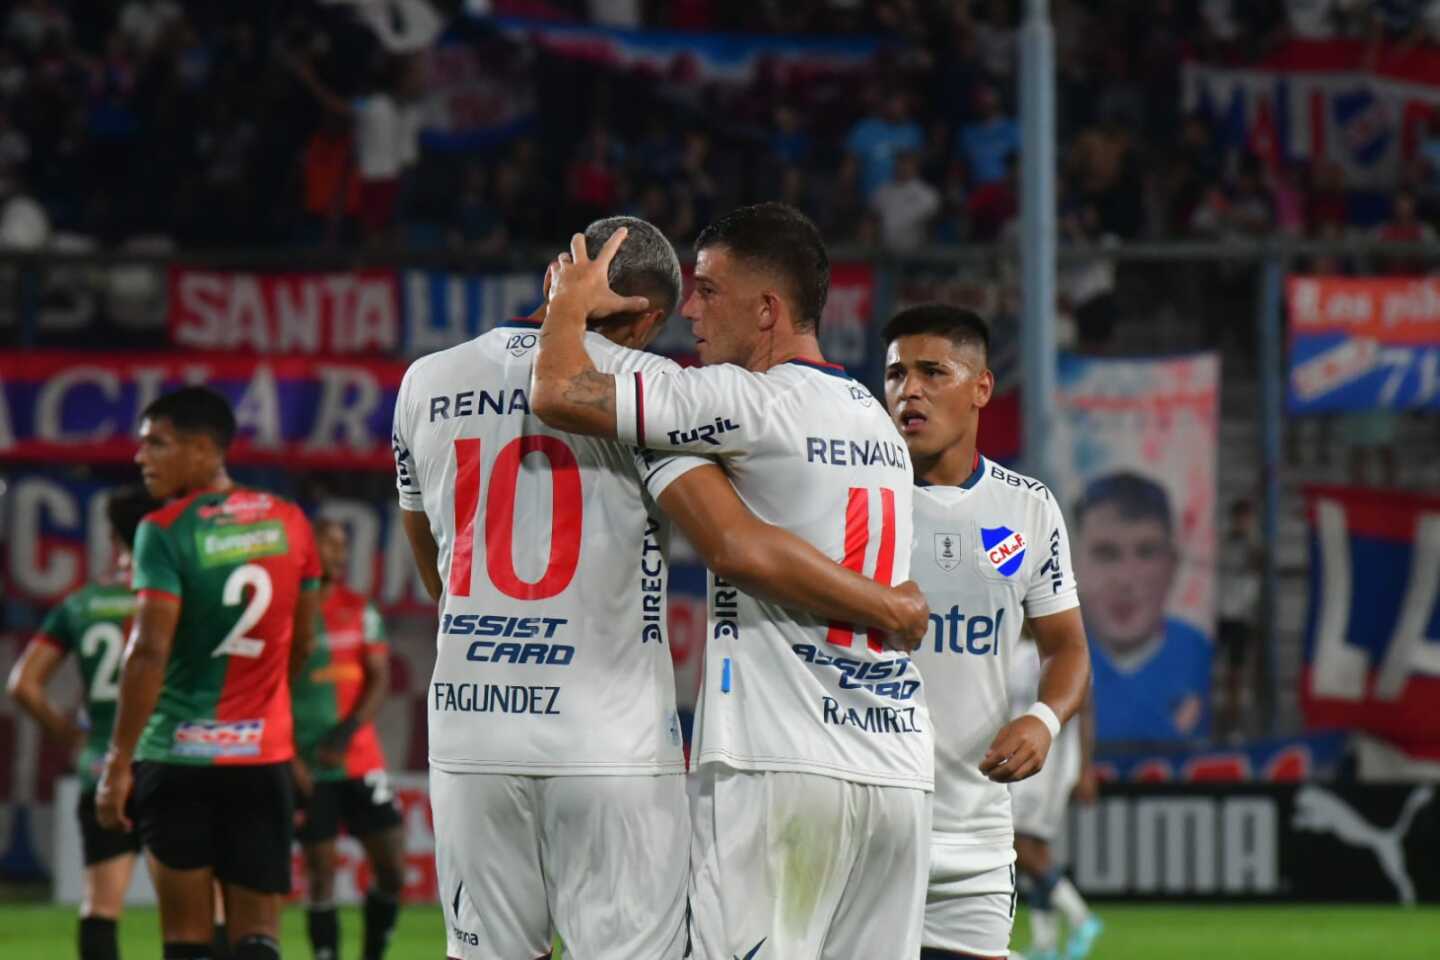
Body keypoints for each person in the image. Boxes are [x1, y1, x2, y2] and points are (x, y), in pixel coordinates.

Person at [394, 214, 929, 960]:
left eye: (708, 293)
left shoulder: (425, 382)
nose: (690, 318)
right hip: (621, 740)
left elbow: (435, 568)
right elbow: (731, 541)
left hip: (469, 730)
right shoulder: (669, 389)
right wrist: (888, 604)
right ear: (643, 317)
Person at [880, 305, 1091, 960]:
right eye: (894, 374)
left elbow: (1068, 648)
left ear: (980, 388)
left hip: (974, 836)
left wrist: (1044, 721)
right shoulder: (855, 495)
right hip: (864, 827)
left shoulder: (1027, 507)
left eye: (931, 372)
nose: (907, 390)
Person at [95, 386, 322, 960]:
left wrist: (117, 764)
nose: (141, 458)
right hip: (261, 758)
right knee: (257, 938)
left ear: (203, 449)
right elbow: (306, 640)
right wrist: (266, 699)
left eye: (156, 444)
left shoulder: (164, 529)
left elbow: (147, 651)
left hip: (175, 758)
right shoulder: (290, 522)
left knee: (188, 940)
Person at [8, 486, 159, 960]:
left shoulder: (82, 603)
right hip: (170, 761)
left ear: (113, 539)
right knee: (201, 905)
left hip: (102, 763)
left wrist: (70, 734)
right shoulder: (173, 598)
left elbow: (23, 685)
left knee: (100, 902)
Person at [291, 519, 403, 960]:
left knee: (392, 868)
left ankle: (372, 954)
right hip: (308, 765)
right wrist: (286, 756)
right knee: (319, 872)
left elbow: (378, 680)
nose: (339, 554)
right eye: (329, 544)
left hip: (360, 761)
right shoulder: (288, 613)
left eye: (343, 545)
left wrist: (348, 728)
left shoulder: (360, 608)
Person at [1072, 471, 1210, 743]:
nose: (1125, 579)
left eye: (1146, 553)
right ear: (1072, 564)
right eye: (1106, 554)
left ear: (1173, 565)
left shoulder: (1198, 651)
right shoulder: (1047, 654)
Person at [1007, 634, 1102, 960]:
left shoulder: (1061, 650)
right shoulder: (1012, 649)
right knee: (1036, 851)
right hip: (1024, 762)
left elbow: (1084, 709)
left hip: (1051, 763)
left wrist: (1085, 768)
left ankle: (1081, 918)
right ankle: (1046, 943)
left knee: (1020, 846)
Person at [1216, 497, 1261, 741]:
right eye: (1240, 518)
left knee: (1236, 671)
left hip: (1242, 616)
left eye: (1247, 519)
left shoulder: (1254, 547)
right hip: (1222, 614)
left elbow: (1256, 565)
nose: (1244, 523)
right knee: (1216, 670)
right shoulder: (1224, 544)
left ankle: (1233, 721)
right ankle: (1214, 717)